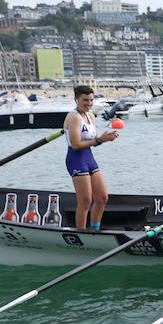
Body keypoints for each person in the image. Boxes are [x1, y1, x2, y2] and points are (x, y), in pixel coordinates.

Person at [63, 85, 119, 231]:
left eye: (91, 100)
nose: (88, 103)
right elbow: (76, 144)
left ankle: (94, 230)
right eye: (85, 100)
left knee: (102, 198)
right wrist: (100, 140)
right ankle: (81, 233)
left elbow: (92, 142)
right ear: (76, 100)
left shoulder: (91, 116)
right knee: (85, 200)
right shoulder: (73, 117)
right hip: (75, 159)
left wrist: (105, 138)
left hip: (89, 158)